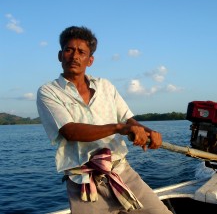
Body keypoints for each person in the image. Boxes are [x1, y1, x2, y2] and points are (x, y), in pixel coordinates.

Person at [36, 26, 173, 214]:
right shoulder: (49, 91)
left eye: (81, 52)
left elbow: (129, 120)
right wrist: (118, 128)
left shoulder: (105, 86)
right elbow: (70, 131)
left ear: (90, 60)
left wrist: (149, 133)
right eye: (69, 50)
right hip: (83, 183)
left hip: (121, 171)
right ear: (60, 56)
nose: (75, 56)